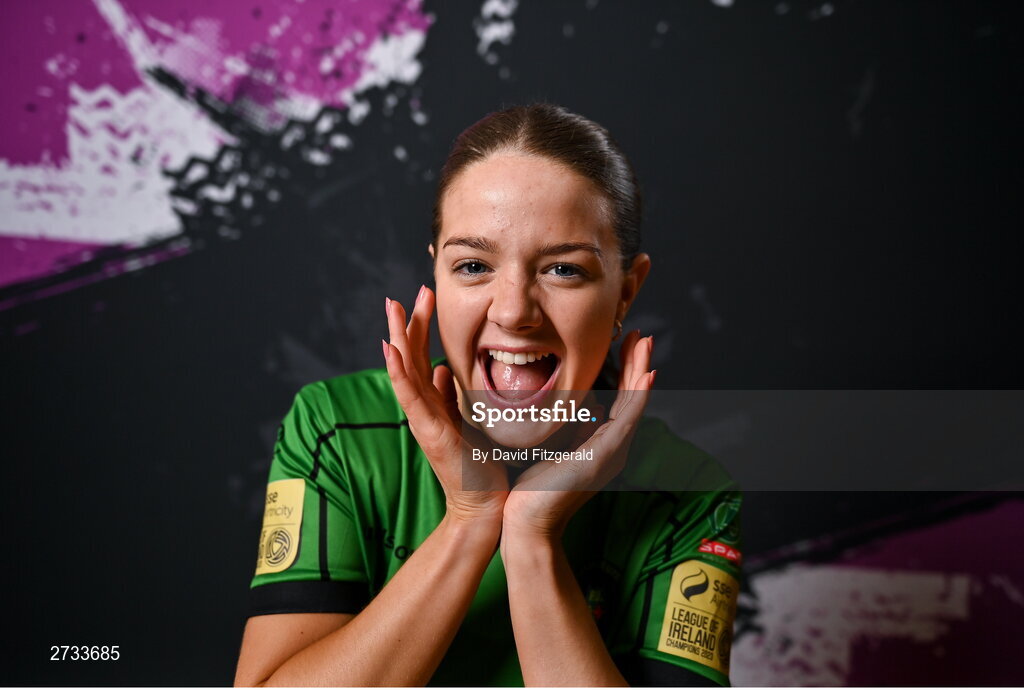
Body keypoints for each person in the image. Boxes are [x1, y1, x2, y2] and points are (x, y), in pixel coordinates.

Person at [233, 104, 742, 687]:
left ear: (625, 293)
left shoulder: (692, 493)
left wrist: (531, 540)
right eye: (473, 265)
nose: (513, 312)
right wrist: (470, 520)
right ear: (437, 276)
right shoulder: (336, 429)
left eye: (564, 271)